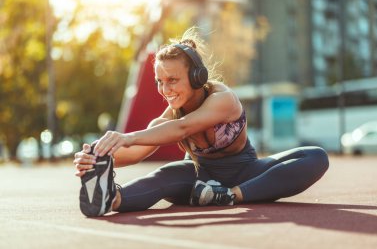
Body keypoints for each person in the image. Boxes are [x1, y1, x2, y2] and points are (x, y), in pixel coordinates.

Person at [73, 28, 329, 217]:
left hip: (246, 173)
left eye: (172, 80)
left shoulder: (223, 99)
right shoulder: (170, 115)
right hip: (198, 180)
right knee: (165, 175)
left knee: (316, 157)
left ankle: (230, 195)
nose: (165, 89)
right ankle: (111, 198)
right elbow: (138, 152)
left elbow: (183, 128)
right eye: (159, 82)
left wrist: (127, 136)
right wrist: (99, 158)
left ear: (197, 76)